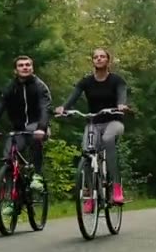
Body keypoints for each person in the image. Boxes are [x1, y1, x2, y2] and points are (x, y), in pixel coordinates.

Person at [55, 48, 129, 209]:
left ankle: (116, 187)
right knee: (87, 152)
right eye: (96, 57)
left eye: (102, 56)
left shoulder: (117, 80)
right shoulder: (86, 81)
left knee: (108, 139)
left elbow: (122, 93)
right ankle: (91, 194)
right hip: (93, 123)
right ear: (92, 61)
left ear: (108, 61)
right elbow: (73, 96)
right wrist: (63, 108)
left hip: (114, 122)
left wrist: (121, 104)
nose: (99, 59)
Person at [0, 55, 52, 215]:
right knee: (8, 157)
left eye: (28, 65)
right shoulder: (9, 87)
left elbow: (45, 109)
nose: (25, 67)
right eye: (21, 65)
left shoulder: (40, 86)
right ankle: (12, 199)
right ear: (15, 70)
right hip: (18, 129)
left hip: (38, 126)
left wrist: (42, 128)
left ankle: (37, 175)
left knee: (35, 136)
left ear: (32, 68)